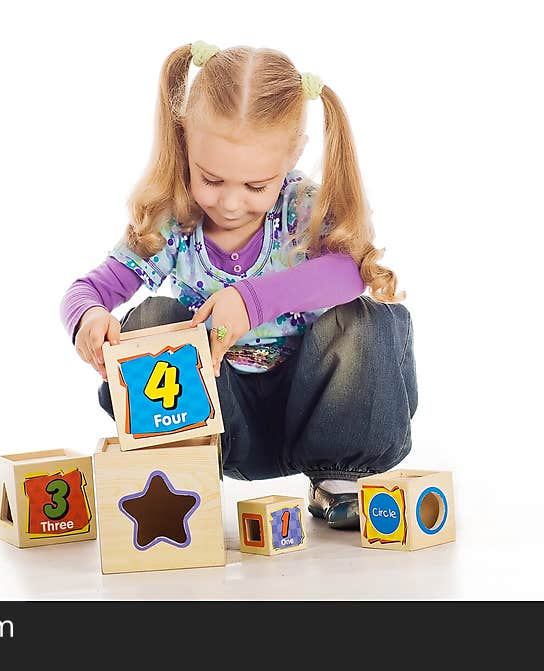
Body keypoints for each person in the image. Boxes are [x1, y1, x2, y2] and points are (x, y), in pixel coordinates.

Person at [59, 41, 417, 530]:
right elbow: (87, 290)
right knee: (152, 320)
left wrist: (251, 301)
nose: (229, 203)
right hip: (217, 420)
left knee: (363, 321)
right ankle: (180, 471)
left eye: (255, 187)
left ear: (293, 155)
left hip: (313, 411)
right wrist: (88, 317)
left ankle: (339, 481)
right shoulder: (174, 219)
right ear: (186, 144)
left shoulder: (302, 210)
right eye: (211, 179)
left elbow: (350, 272)